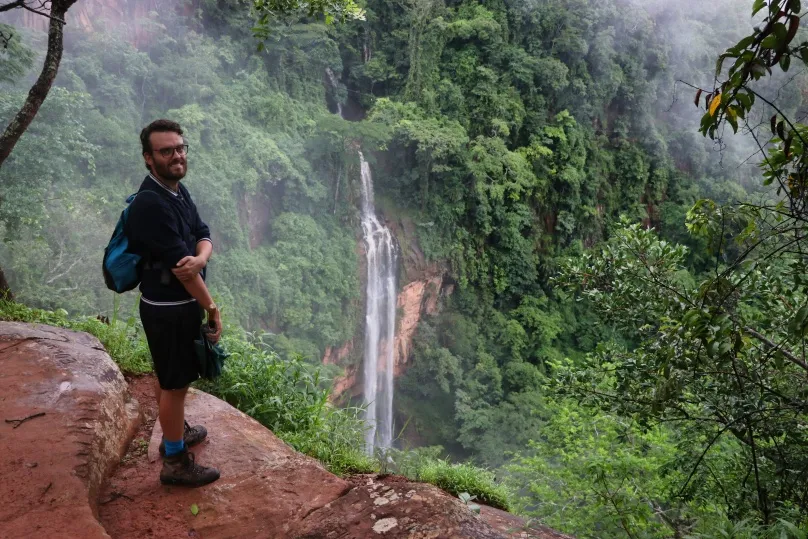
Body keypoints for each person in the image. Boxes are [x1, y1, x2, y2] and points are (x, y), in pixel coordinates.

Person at [126, 119, 221, 487]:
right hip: (167, 309)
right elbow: (183, 271)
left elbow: (203, 233)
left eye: (180, 148)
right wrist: (211, 308)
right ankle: (175, 461)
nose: (176, 155)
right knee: (175, 384)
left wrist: (201, 257)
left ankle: (175, 432)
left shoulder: (176, 191)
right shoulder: (151, 203)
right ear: (149, 158)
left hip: (179, 306)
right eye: (166, 151)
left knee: (172, 378)